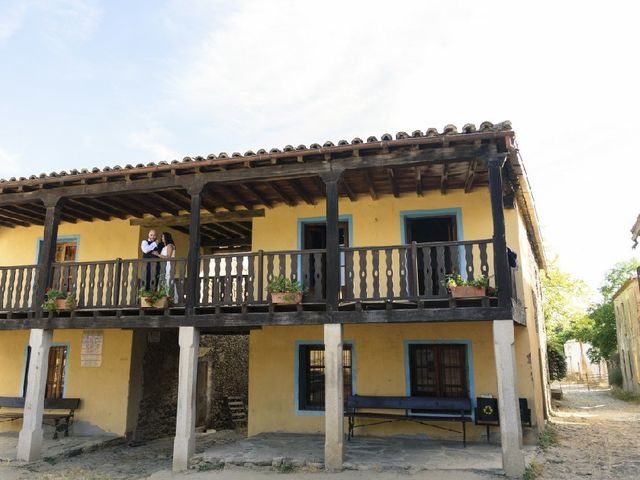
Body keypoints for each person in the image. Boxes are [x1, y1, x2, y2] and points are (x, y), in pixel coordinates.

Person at [153, 232, 179, 303]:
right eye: (162, 237)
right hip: (164, 266)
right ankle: (165, 299)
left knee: (168, 280)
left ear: (167, 238)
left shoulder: (170, 246)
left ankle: (170, 298)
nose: (162, 238)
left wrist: (158, 255)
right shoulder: (165, 246)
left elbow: (168, 257)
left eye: (163, 237)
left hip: (168, 265)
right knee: (164, 281)